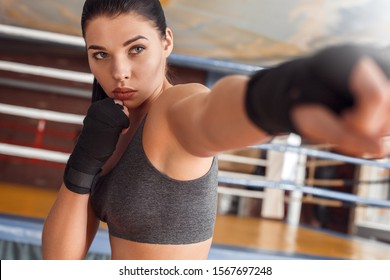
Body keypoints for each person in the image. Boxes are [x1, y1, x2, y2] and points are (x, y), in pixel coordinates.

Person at [42, 0, 390, 260]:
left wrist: (291, 91)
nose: (119, 71)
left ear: (166, 42)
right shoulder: (110, 128)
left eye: (136, 49)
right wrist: (84, 163)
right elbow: (59, 264)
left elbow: (213, 112)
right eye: (100, 55)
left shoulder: (176, 109)